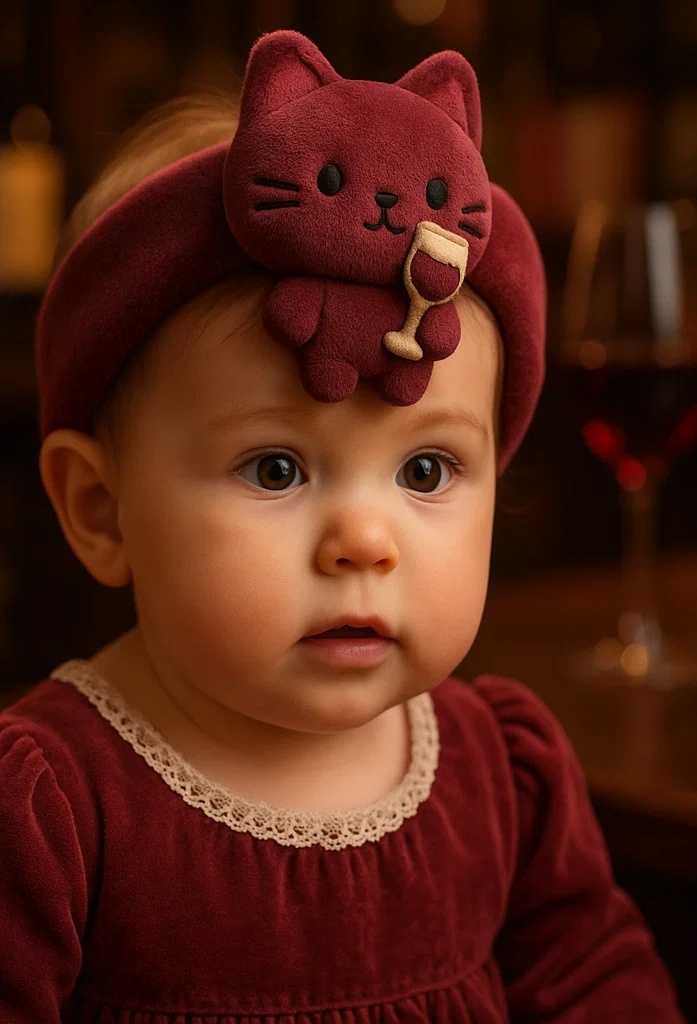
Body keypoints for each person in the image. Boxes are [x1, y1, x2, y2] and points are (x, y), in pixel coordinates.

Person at [0, 29, 685, 1024]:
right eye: (275, 468)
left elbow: (602, 989)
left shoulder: (504, 778)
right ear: (99, 511)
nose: (365, 540)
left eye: (425, 469)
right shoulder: (50, 811)